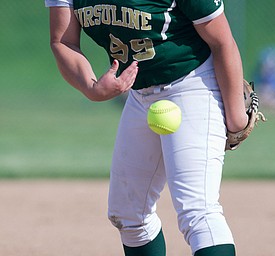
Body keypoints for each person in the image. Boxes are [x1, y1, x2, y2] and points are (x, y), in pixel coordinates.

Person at [45, 0, 248, 255]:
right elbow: (63, 41)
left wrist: (236, 117)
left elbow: (222, 41)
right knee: (128, 214)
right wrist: (91, 88)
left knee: (198, 211)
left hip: (192, 83)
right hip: (140, 94)